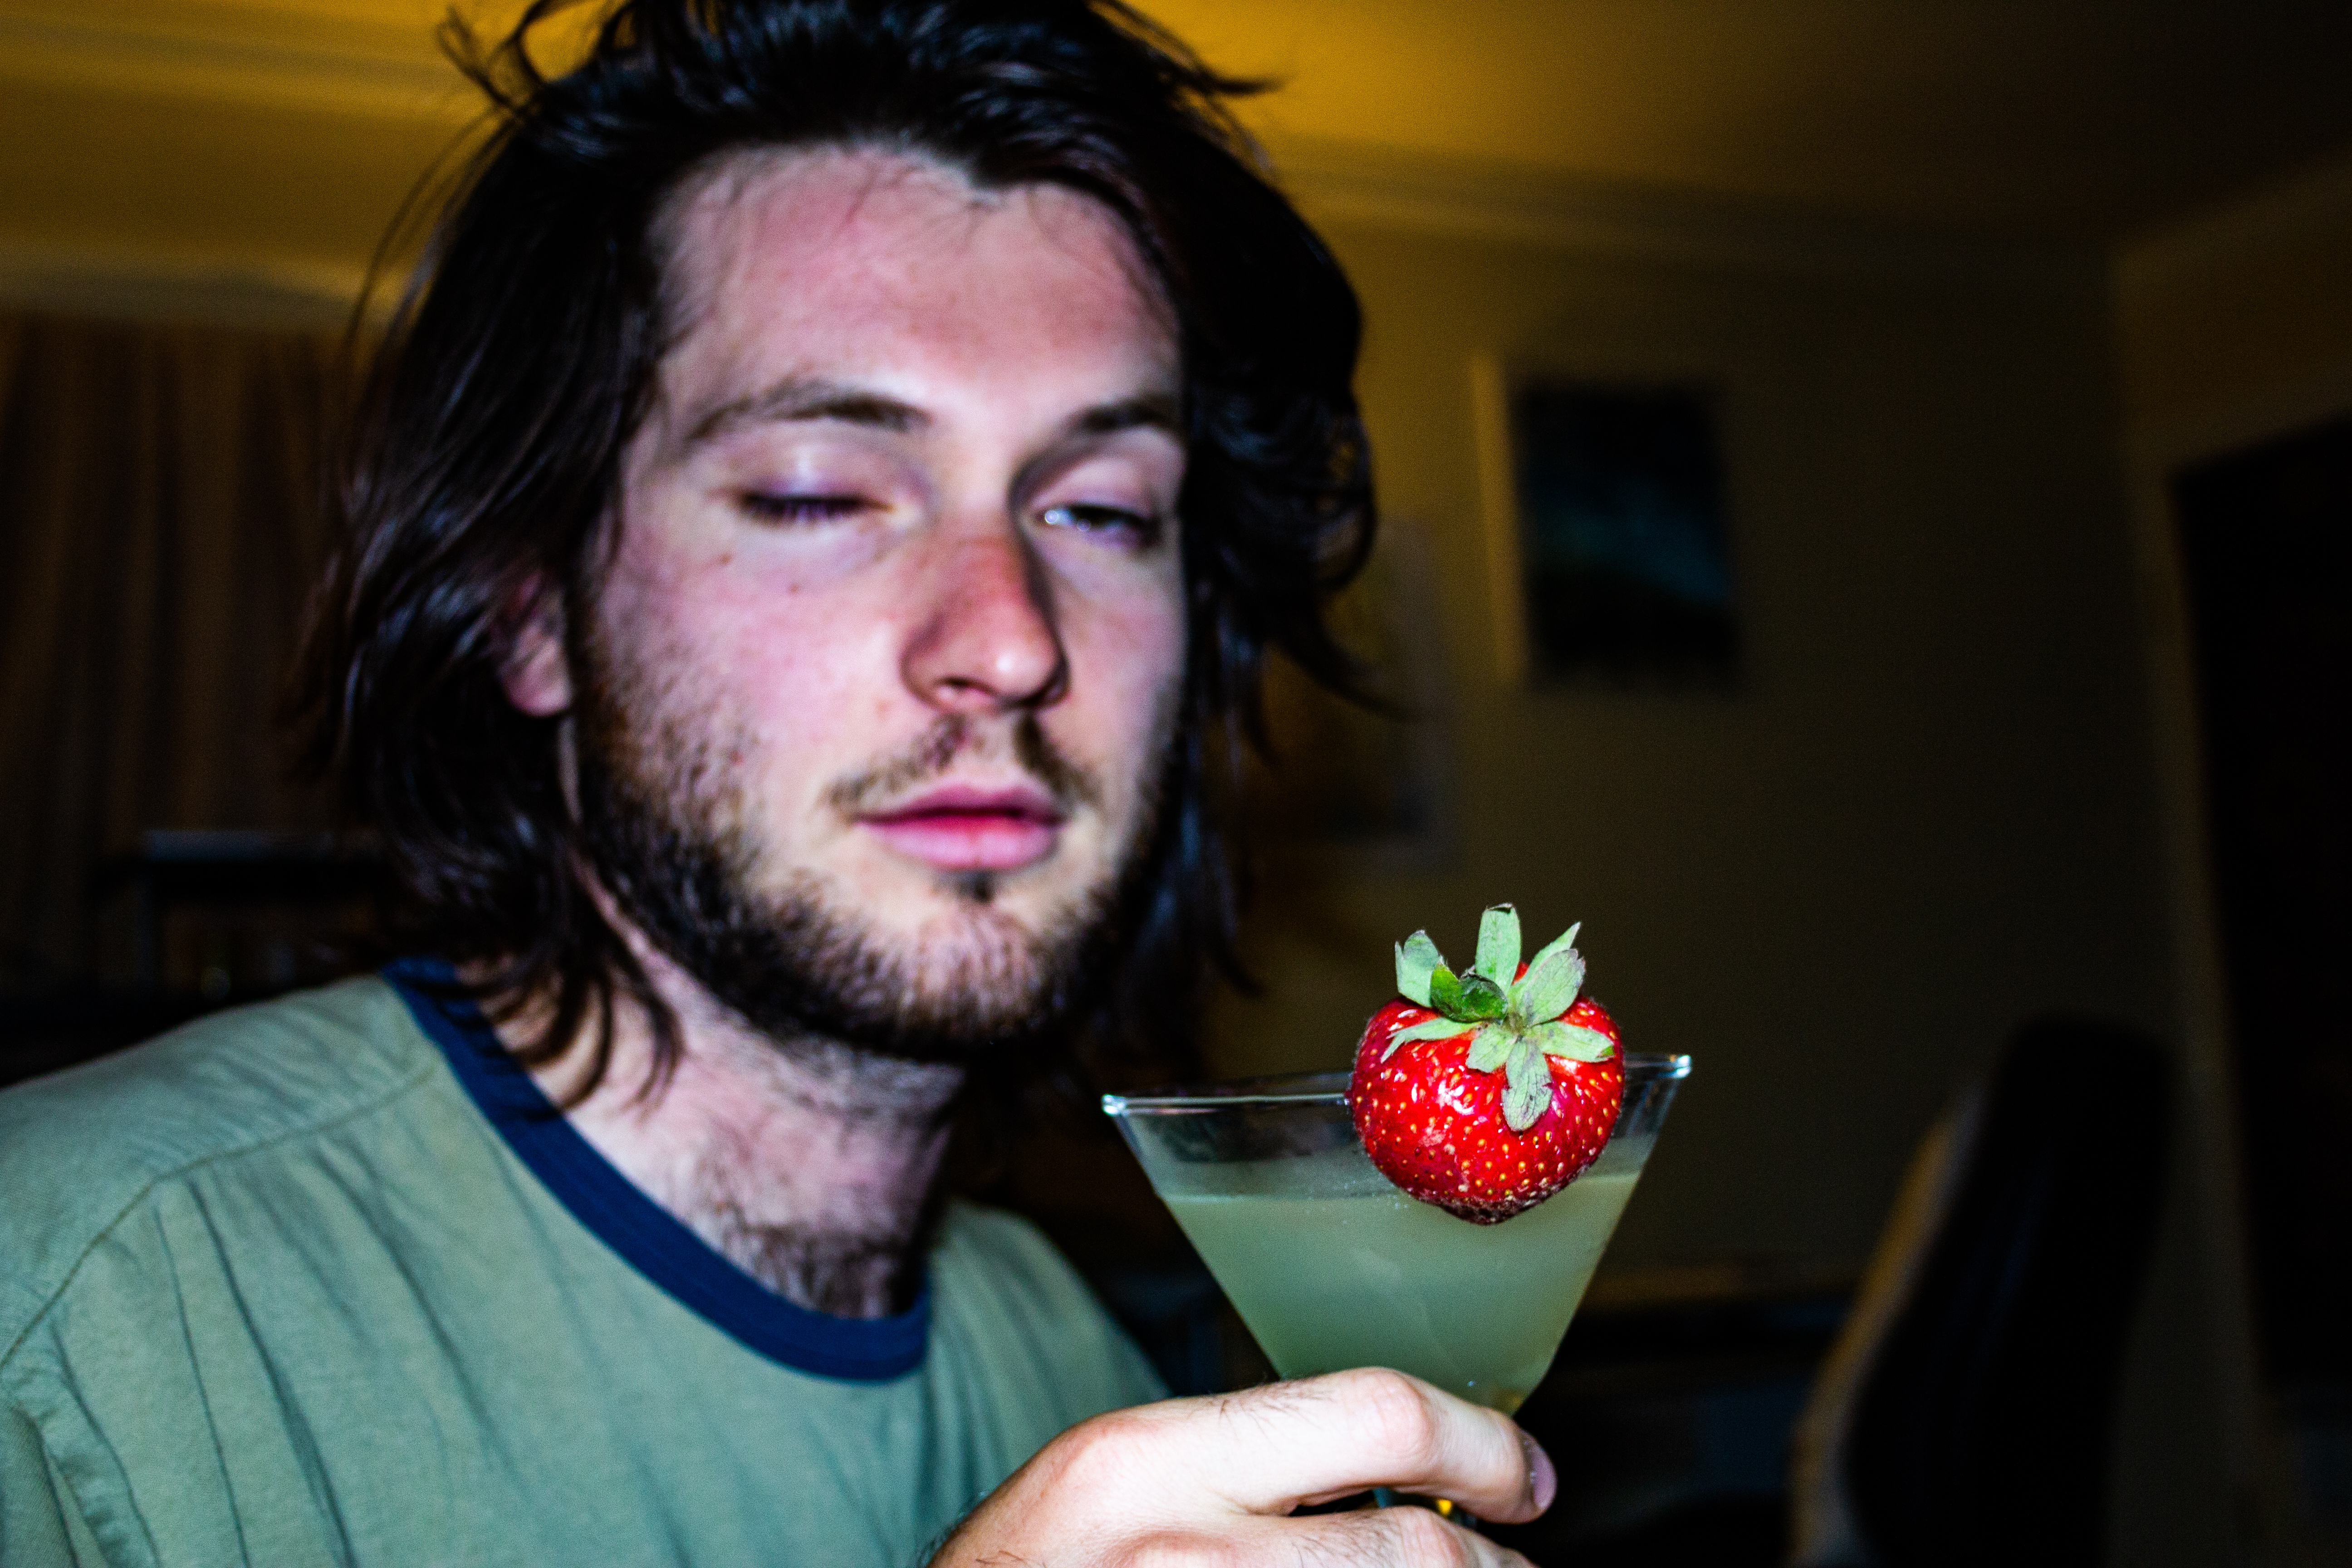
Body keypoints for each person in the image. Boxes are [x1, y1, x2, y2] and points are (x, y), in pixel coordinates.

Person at [0, 0, 1556, 1561]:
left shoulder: (1079, 1365)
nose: (1011, 641)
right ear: (530, 611)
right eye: (820, 495)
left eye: (1100, 510)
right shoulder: (65, 1318)